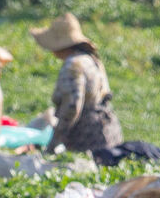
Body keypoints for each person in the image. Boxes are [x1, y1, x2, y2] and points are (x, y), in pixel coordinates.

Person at [29, 13, 122, 153]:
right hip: (108, 131)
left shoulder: (73, 66)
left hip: (88, 138)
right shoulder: (90, 59)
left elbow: (71, 107)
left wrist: (53, 144)